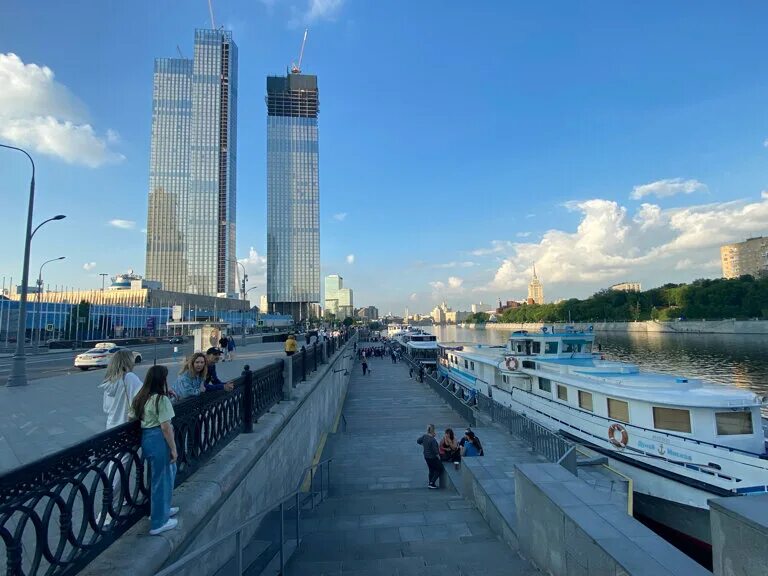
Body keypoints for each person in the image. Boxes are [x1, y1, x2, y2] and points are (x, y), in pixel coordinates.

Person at [130, 365, 179, 535]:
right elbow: (166, 427)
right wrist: (174, 449)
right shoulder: (160, 400)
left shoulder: (141, 397)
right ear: (161, 380)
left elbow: (131, 417)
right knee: (162, 479)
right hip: (159, 439)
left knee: (159, 476)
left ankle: (160, 510)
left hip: (147, 438)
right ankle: (159, 522)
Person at [99, 349, 143, 429]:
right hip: (126, 426)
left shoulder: (109, 381)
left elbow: (106, 408)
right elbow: (144, 395)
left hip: (111, 427)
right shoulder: (129, 377)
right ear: (128, 362)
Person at [417, 424, 443, 489]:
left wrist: (423, 444)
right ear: (433, 431)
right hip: (432, 457)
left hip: (426, 456)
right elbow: (435, 451)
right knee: (439, 469)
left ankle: (430, 482)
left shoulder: (424, 436)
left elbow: (418, 441)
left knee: (431, 470)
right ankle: (432, 483)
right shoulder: (432, 440)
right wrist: (439, 457)